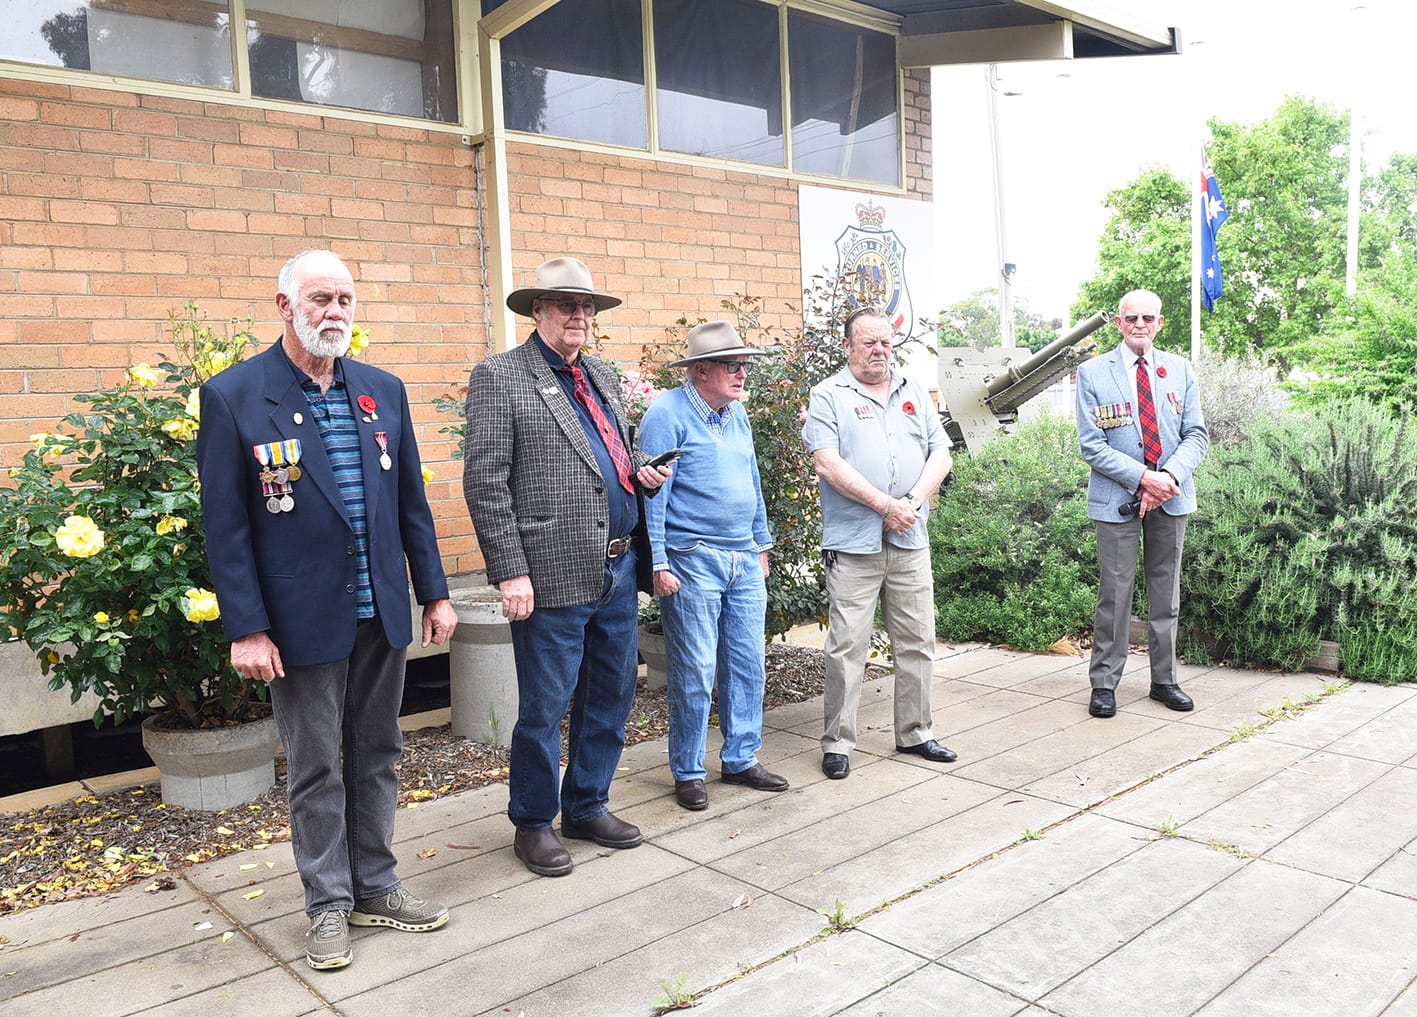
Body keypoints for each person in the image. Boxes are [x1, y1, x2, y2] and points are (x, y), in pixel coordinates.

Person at [198, 249, 458, 972]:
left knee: (378, 753)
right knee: (316, 766)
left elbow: (412, 504)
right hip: (299, 622)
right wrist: (246, 626)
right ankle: (327, 903)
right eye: (319, 298)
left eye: (344, 298)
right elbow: (226, 527)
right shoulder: (235, 396)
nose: (335, 312)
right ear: (284, 306)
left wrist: (434, 591)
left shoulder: (381, 390)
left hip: (382, 614)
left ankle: (375, 883)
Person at [463, 257, 669, 878]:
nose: (580, 316)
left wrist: (642, 474)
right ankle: (532, 822)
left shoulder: (600, 374)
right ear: (538, 312)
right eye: (565, 305)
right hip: (548, 574)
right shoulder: (502, 376)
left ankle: (586, 804)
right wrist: (510, 571)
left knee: (611, 693)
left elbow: (614, 456)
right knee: (544, 706)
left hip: (617, 567)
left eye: (587, 308)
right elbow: (486, 482)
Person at [802, 307, 957, 780]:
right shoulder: (829, 395)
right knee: (847, 645)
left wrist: (909, 502)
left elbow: (941, 453)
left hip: (911, 538)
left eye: (885, 342)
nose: (878, 351)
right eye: (868, 342)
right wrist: (884, 506)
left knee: (917, 641)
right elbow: (827, 463)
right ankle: (838, 742)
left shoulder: (914, 391)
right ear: (848, 346)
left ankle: (916, 732)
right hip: (854, 543)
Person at [639, 321, 787, 812]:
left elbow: (752, 481)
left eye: (744, 365)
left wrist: (761, 543)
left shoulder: (736, 415)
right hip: (692, 558)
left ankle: (742, 759)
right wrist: (658, 561)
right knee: (696, 670)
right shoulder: (667, 414)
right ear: (701, 370)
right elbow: (652, 496)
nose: (742, 373)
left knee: (747, 663)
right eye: (732, 365)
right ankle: (688, 769)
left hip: (743, 557)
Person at [1075, 289, 1209, 719]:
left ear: (1160, 323)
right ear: (1118, 323)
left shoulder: (1180, 370)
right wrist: (1142, 478)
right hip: (1118, 499)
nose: (1139, 325)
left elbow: (1197, 436)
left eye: (1147, 318)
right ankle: (1104, 684)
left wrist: (1166, 479)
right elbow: (1092, 446)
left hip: (1171, 497)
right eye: (1131, 318)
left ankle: (1164, 680)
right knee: (1115, 594)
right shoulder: (1093, 373)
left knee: (1165, 593)